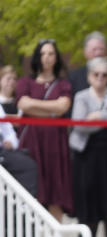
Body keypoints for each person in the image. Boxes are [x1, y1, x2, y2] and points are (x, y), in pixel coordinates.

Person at [69, 57, 107, 237]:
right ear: (89, 76)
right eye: (96, 74)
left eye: (105, 75)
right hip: (87, 153)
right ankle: (88, 236)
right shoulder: (81, 96)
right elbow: (81, 125)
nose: (101, 78)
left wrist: (98, 116)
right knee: (88, 193)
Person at [15, 39, 72, 222]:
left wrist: (35, 106)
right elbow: (23, 103)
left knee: (57, 188)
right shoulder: (25, 82)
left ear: (56, 58)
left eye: (51, 54)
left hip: (55, 141)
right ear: (37, 57)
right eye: (43, 54)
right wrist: (51, 108)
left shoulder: (63, 84)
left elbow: (63, 107)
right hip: (32, 140)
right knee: (33, 187)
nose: (46, 58)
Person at [67, 32, 107, 108]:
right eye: (94, 49)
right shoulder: (74, 77)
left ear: (106, 51)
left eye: (101, 49)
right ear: (85, 52)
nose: (98, 53)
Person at [0, 105, 38, 196]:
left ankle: (23, 206)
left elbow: (8, 131)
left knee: (28, 165)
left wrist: (11, 142)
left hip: (3, 151)